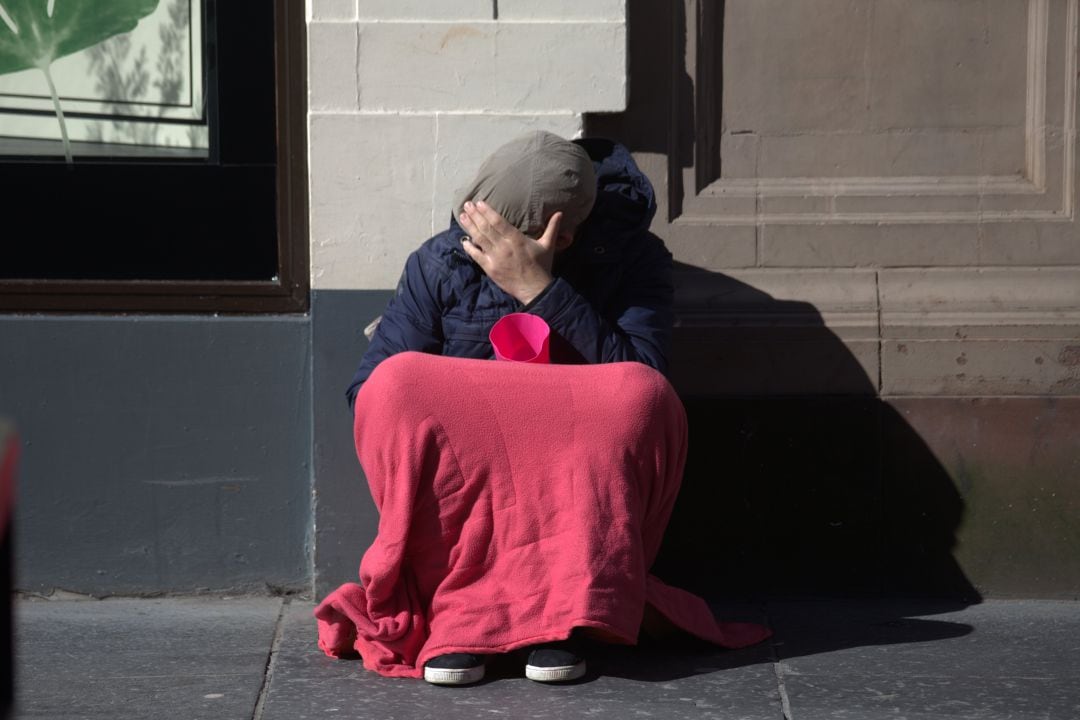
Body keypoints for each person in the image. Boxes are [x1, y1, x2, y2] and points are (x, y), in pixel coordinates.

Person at [316, 131, 769, 686]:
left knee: (640, 396)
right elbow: (367, 393)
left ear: (565, 232)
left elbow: (645, 378)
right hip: (471, 479)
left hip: (566, 468)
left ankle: (562, 614)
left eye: (499, 232)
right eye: (474, 223)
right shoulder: (439, 261)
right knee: (395, 382)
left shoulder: (632, 261)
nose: (479, 239)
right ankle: (460, 616)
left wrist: (539, 288)